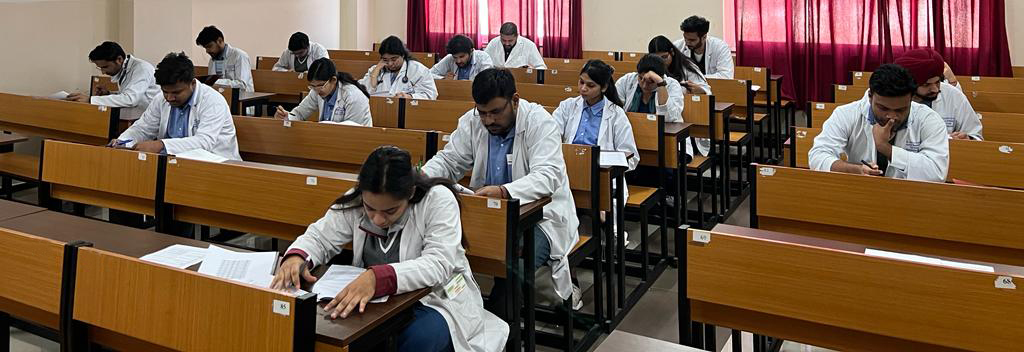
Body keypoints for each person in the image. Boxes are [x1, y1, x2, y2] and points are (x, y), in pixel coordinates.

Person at [271, 146, 497, 352]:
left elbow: (438, 264)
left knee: (418, 340)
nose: (378, 219)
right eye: (370, 209)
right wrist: (297, 256)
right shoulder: (360, 198)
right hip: (379, 304)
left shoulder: (437, 200)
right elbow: (320, 236)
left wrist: (379, 278)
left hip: (441, 297)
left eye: (390, 211)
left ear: (410, 193)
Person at [421, 68, 582, 313]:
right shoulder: (473, 121)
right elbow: (449, 160)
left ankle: (500, 330)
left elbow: (548, 176)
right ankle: (457, 313)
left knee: (511, 267)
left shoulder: (539, 122)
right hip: (488, 214)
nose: (488, 120)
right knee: (445, 253)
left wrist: (504, 191)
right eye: (482, 112)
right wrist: (422, 177)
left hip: (539, 218)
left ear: (514, 100)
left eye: (496, 112)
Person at [809, 64, 948, 182]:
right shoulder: (846, 114)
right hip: (860, 192)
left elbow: (937, 173)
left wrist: (885, 148)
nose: (892, 117)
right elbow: (817, 156)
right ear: (870, 97)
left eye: (900, 110)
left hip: (911, 197)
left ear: (912, 99)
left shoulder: (930, 120)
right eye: (884, 108)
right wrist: (855, 170)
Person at [112, 52, 241, 161]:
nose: (169, 98)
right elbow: (143, 128)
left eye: (176, 92)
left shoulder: (212, 101)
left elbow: (204, 141)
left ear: (192, 83)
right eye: (165, 91)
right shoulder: (160, 99)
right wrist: (123, 141)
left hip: (215, 162)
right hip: (173, 161)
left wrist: (161, 145)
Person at [615, 55, 698, 160]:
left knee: (664, 163)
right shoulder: (627, 80)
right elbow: (616, 111)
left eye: (650, 82)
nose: (644, 85)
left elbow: (669, 118)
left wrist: (660, 85)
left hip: (665, 140)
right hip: (635, 138)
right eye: (641, 79)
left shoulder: (672, 85)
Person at [893, 49, 982, 140]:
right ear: (910, 84)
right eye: (926, 85)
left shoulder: (953, 95)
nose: (935, 89)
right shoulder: (894, 100)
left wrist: (968, 138)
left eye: (937, 82)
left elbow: (976, 136)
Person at [66, 41, 160, 121]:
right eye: (100, 68)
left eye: (105, 67)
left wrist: (90, 100)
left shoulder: (141, 68)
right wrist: (108, 93)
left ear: (119, 59)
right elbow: (127, 94)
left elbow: (130, 99)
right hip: (137, 116)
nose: (103, 72)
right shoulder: (125, 69)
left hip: (149, 118)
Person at [275, 58, 372, 126]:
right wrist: (288, 116)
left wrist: (323, 125)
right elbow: (300, 113)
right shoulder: (316, 90)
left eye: (320, 85)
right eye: (313, 86)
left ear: (333, 80)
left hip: (357, 142)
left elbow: (353, 129)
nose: (316, 90)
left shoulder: (353, 95)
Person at [359, 36, 438, 100]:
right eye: (385, 60)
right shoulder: (375, 70)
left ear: (402, 55)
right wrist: (374, 74)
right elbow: (361, 93)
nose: (390, 64)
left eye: (394, 59)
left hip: (408, 111)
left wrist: (410, 97)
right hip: (380, 110)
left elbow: (430, 94)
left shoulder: (418, 70)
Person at [195, 25, 254, 92]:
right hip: (223, 96)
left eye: (209, 46)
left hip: (243, 98)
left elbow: (242, 85)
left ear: (220, 41)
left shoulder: (239, 56)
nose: (207, 51)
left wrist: (215, 82)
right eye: (205, 48)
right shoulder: (212, 60)